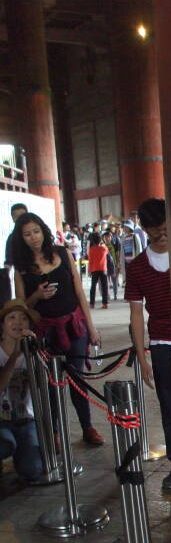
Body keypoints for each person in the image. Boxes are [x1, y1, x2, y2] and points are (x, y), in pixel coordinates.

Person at [12, 212, 104, 446]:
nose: (33, 237)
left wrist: (91, 328)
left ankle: (87, 427)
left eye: (36, 231)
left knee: (77, 380)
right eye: (27, 234)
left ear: (43, 231)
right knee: (51, 384)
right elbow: (22, 306)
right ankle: (54, 432)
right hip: (44, 332)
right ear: (21, 238)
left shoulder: (62, 252)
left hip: (74, 326)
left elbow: (79, 291)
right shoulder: (21, 268)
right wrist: (37, 295)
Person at [125, 198, 171, 489]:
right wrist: (142, 355)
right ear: (144, 229)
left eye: (165, 228)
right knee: (169, 407)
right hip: (162, 343)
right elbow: (136, 314)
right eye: (155, 231)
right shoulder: (137, 268)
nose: (162, 235)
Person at [0, 299, 43, 482]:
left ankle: (23, 453)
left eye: (23, 318)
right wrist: (16, 354)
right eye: (12, 317)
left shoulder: (32, 350)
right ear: (2, 324)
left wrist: (36, 352)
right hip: (1, 420)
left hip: (26, 420)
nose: (18, 322)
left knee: (32, 470)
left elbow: (44, 384)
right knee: (4, 445)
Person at [2, 202, 28, 306]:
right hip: (22, 277)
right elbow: (8, 261)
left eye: (21, 216)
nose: (19, 219)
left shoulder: (37, 234)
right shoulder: (12, 239)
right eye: (15, 216)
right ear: (12, 218)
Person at [87, 232, 110, 309]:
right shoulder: (104, 248)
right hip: (103, 269)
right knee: (104, 286)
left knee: (93, 286)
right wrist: (102, 242)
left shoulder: (91, 249)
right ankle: (105, 303)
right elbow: (107, 251)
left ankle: (92, 303)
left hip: (94, 269)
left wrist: (89, 270)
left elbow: (90, 261)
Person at [102, 230, 120, 301]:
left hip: (113, 265)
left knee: (114, 281)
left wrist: (118, 263)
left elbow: (117, 254)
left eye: (109, 237)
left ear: (111, 237)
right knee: (105, 282)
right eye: (106, 237)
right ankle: (107, 295)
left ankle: (115, 295)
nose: (107, 238)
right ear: (103, 238)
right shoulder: (102, 245)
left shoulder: (114, 244)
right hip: (105, 266)